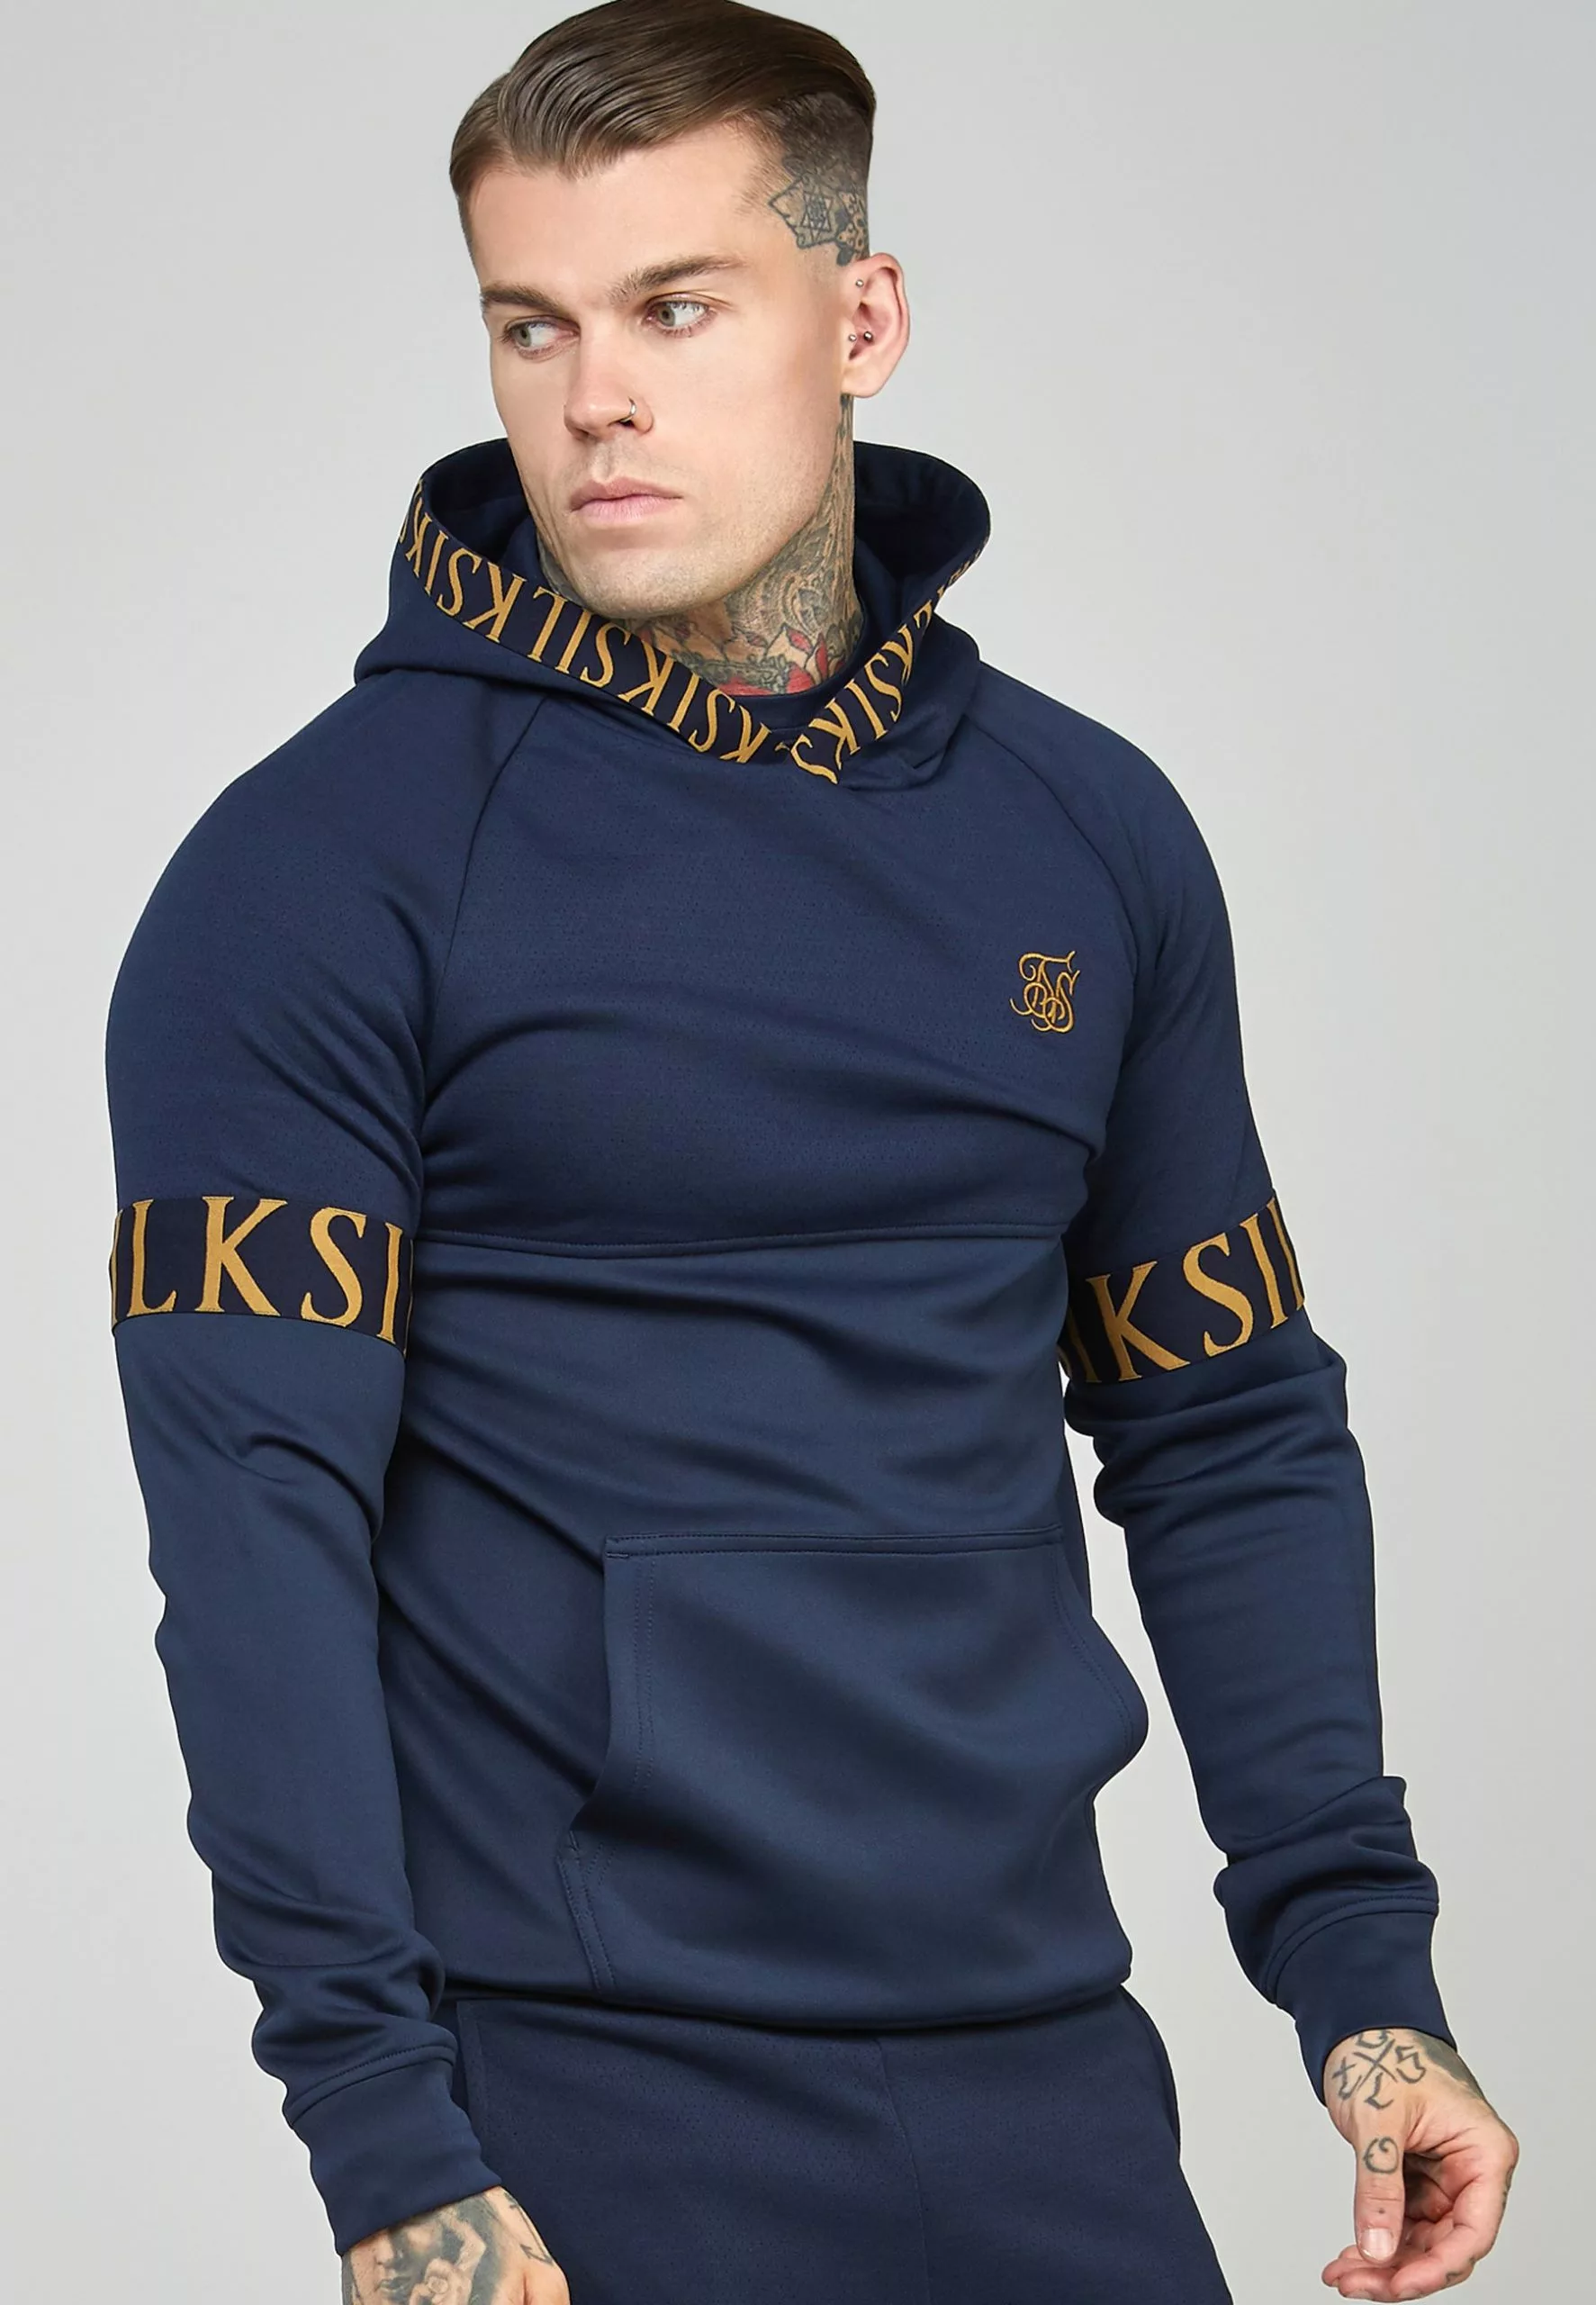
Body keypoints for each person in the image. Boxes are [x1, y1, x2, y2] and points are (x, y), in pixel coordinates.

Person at [104, 4, 1519, 2300]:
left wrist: (1363, 1977)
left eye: (675, 308)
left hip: (1046, 2058)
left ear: (859, 320)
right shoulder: (318, 872)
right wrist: (381, 2130)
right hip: (570, 2098)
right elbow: (253, 1519)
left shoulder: (1086, 832)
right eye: (533, 324)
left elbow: (1227, 1420)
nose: (596, 398)